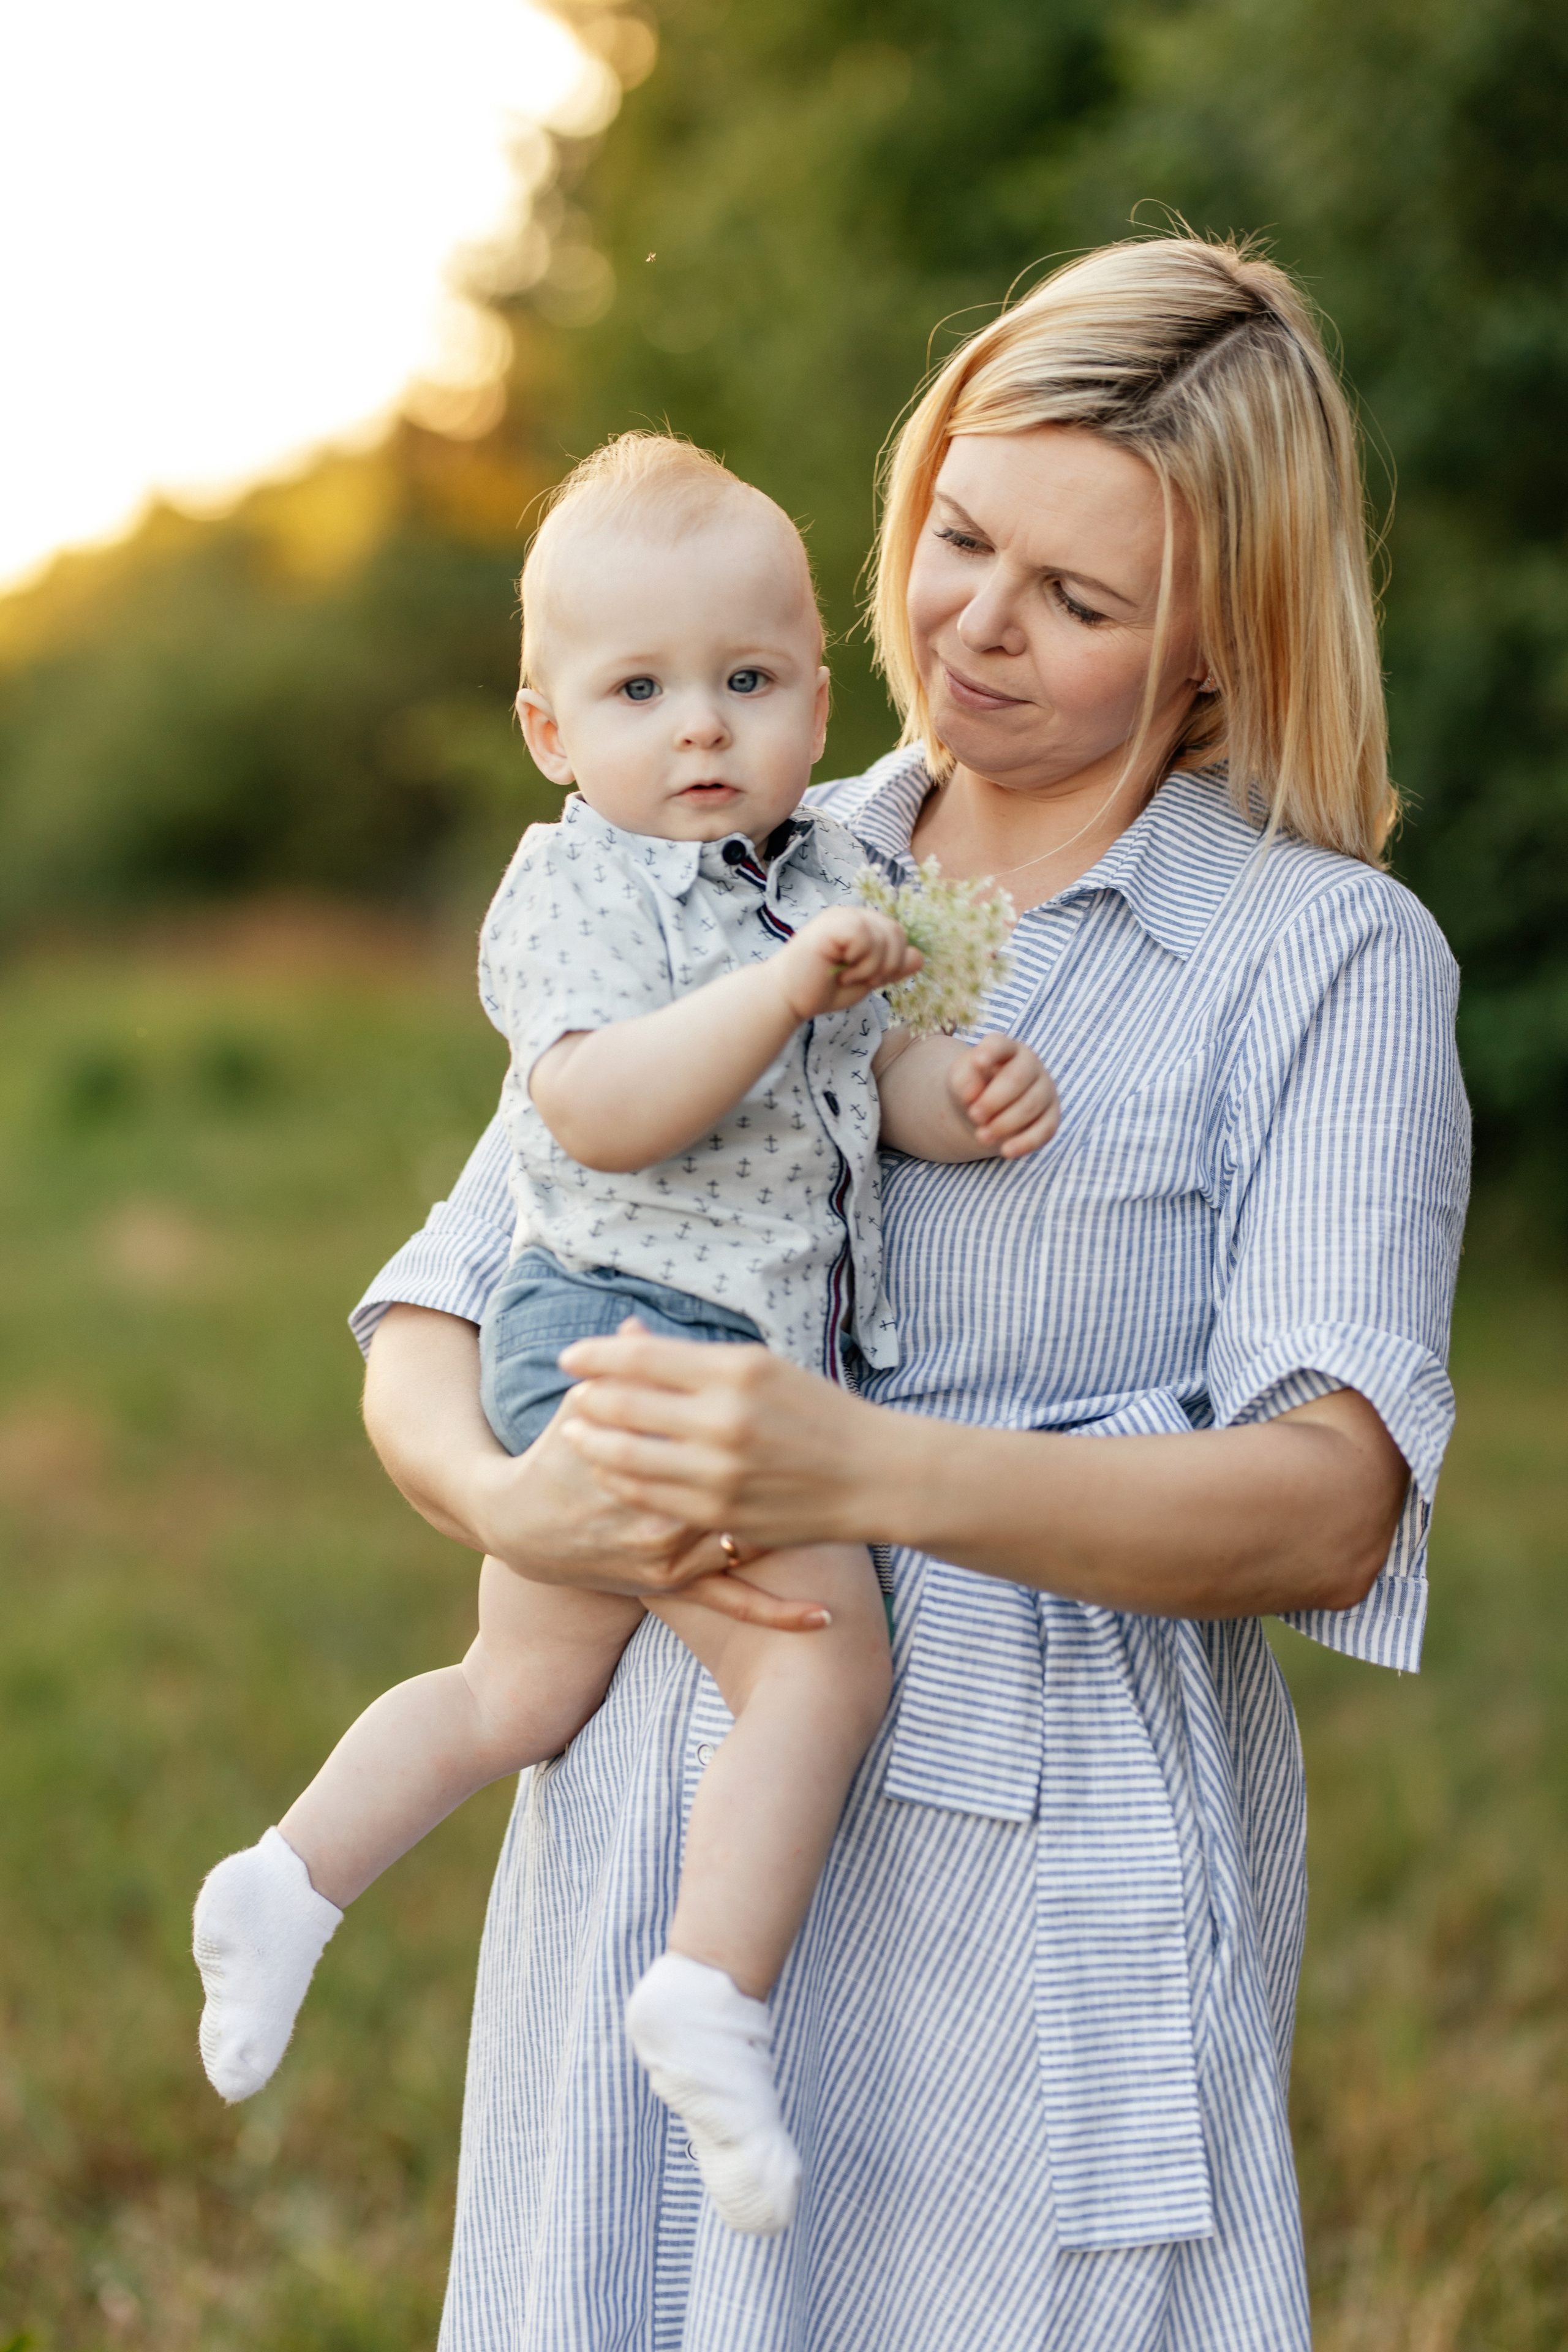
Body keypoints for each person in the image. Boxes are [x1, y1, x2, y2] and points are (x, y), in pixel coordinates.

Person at [349, 234, 1470, 2351]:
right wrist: (511, 1510)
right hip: (671, 1831)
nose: (975, 623)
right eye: (963, 535)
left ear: (1225, 637)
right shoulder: (731, 836)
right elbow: (443, 1296)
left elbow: (1334, 1498)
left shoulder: (1322, 961)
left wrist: (863, 1466)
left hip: (1028, 1889)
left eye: (1080, 598)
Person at [190, 435, 1057, 2237]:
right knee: (820, 1664)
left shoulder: (825, 875)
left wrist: (947, 1095)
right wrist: (777, 988)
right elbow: (601, 1110)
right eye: (641, 690)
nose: (699, 732)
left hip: (673, 1342)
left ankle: (289, 1879)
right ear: (547, 727)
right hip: (621, 1330)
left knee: (523, 1690)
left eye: (745, 683)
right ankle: (709, 1994)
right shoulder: (571, 891)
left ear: (818, 699)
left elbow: (843, 1102)